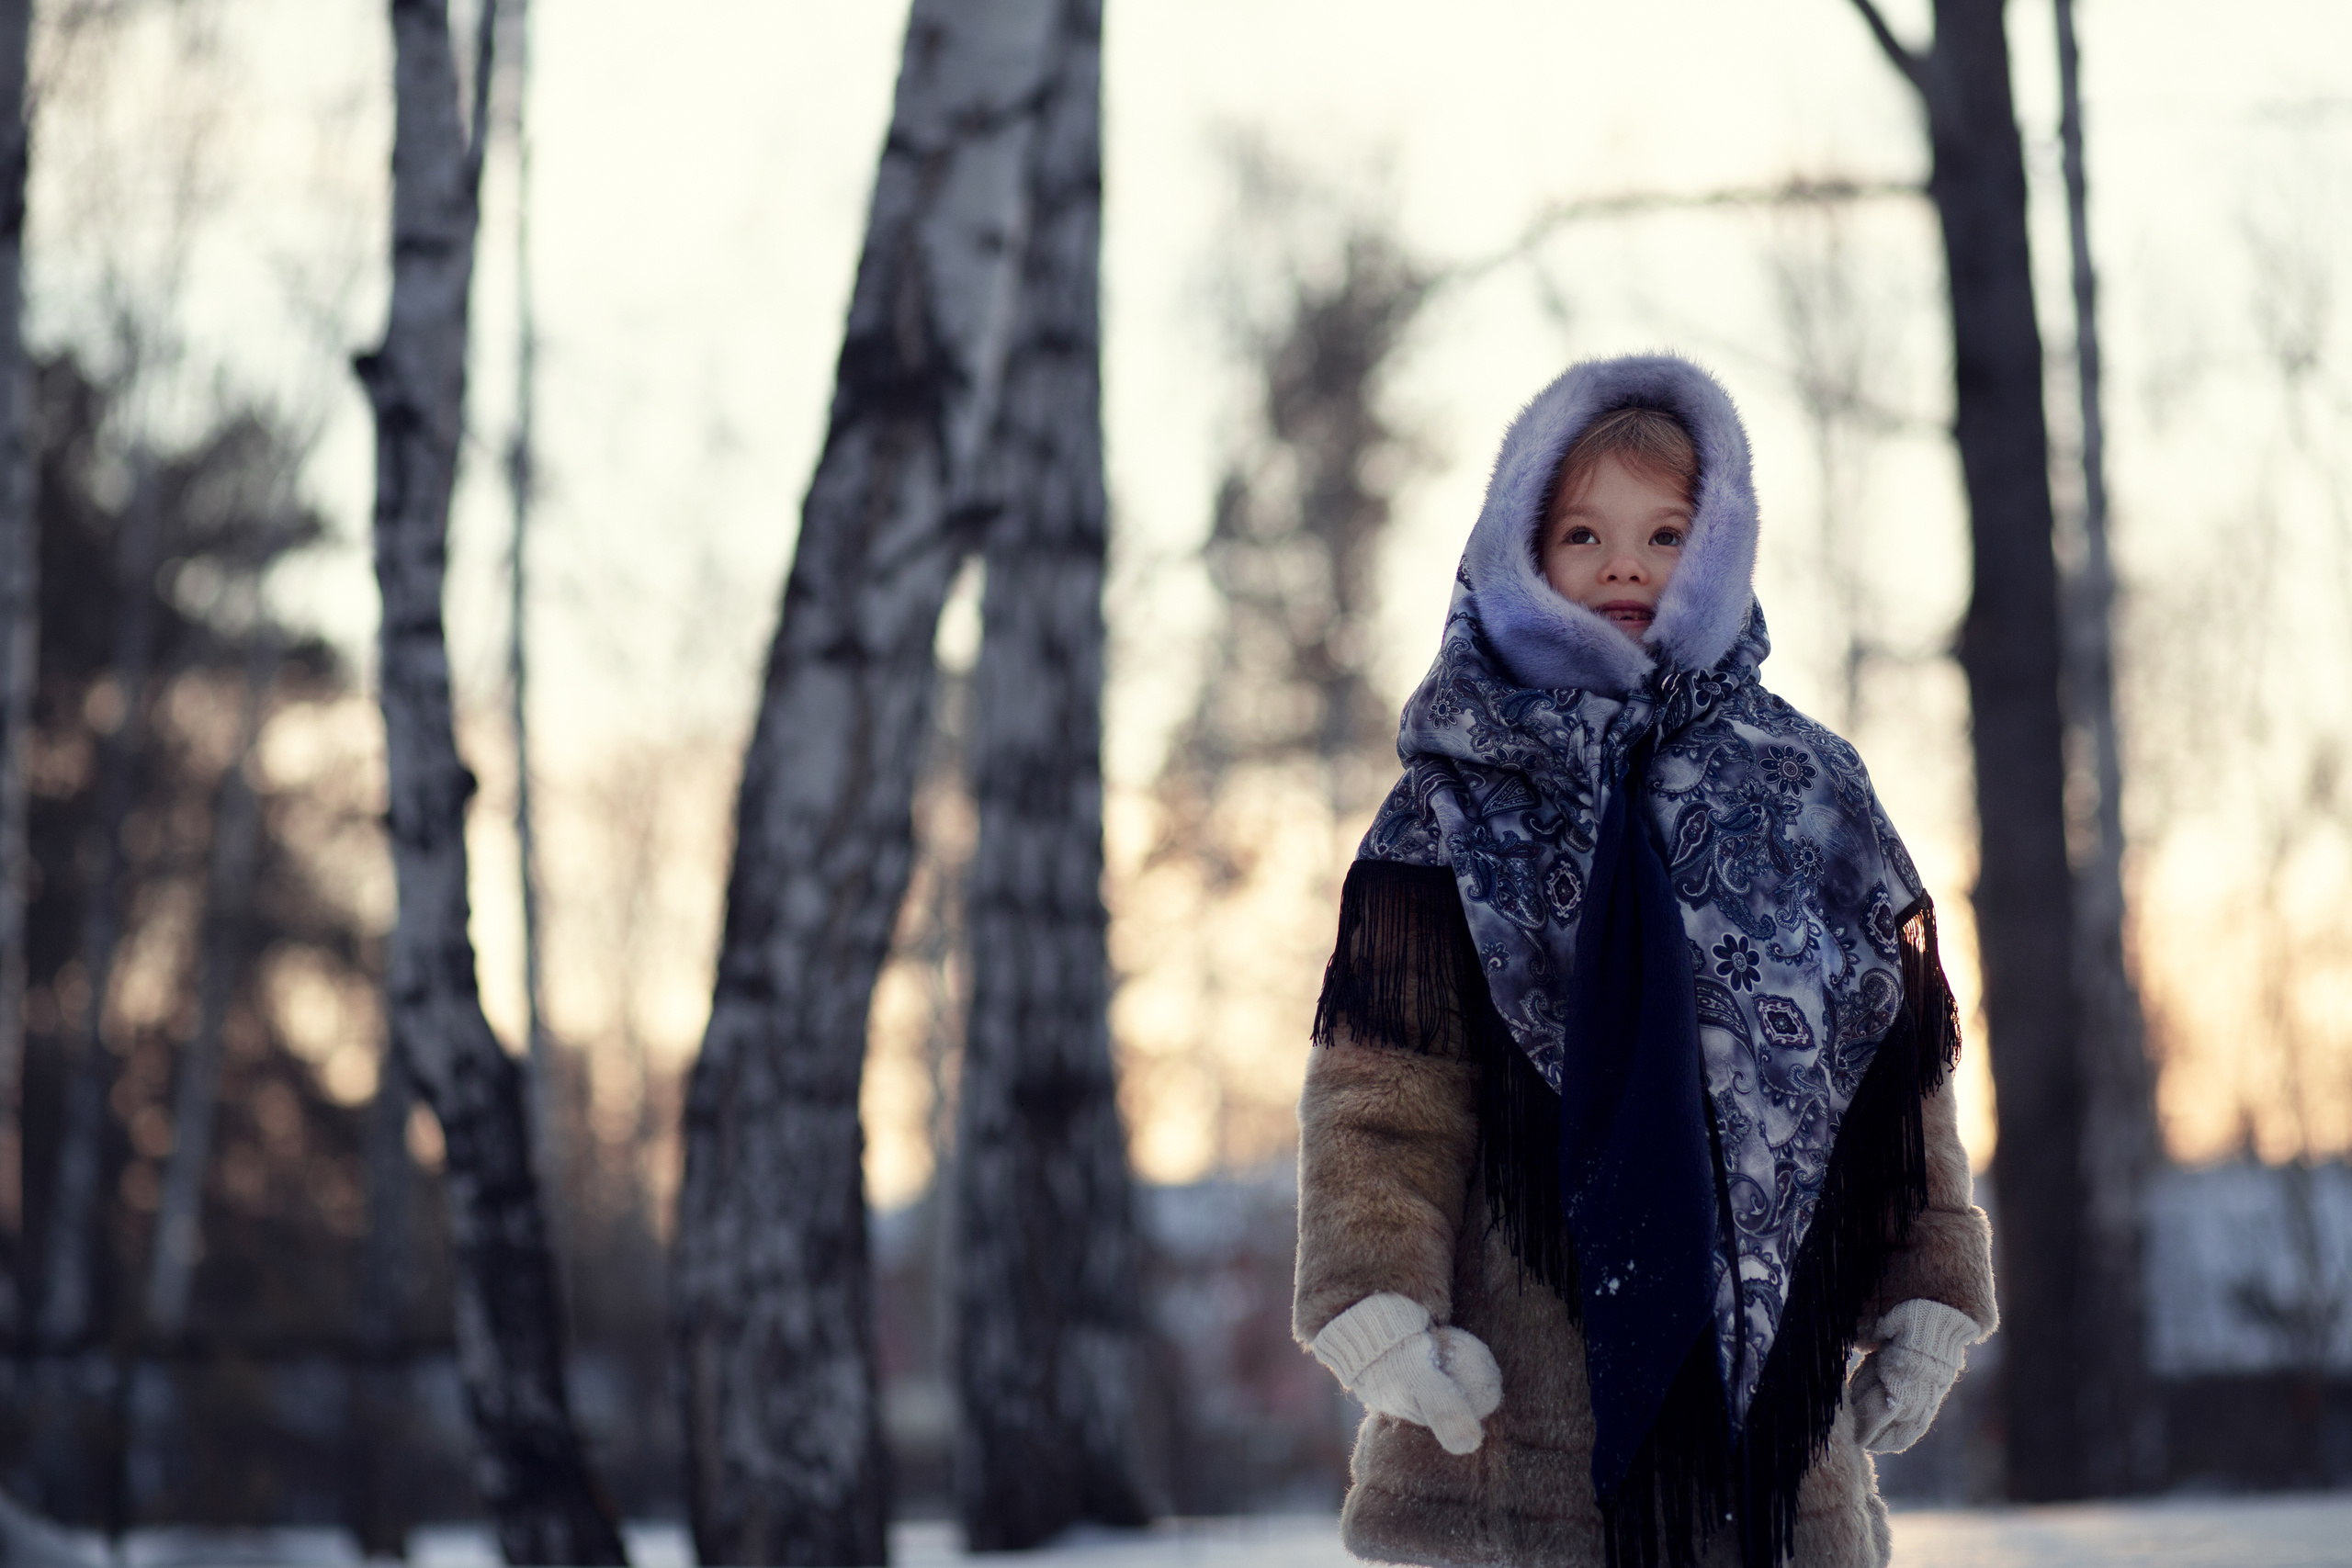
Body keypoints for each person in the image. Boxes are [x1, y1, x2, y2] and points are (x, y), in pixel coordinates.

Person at [1293, 354, 1996, 1568]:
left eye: (1667, 532)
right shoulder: (1452, 801)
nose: (1626, 563)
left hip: (1769, 1437)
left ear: (1721, 549)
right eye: (1584, 531)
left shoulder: (1811, 795)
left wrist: (1929, 1286)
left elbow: (1891, 1073)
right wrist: (1373, 1296)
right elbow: (1385, 1083)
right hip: (1506, 1435)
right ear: (1521, 548)